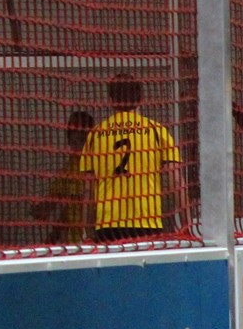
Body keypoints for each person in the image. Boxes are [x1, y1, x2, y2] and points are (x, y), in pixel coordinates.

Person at [78, 74, 183, 241]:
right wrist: (186, 225)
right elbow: (175, 181)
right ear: (141, 99)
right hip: (146, 220)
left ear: (110, 100)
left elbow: (88, 188)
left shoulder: (95, 134)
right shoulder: (156, 131)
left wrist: (86, 231)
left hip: (108, 223)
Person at [33, 110, 93, 244]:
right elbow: (62, 204)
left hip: (95, 240)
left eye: (83, 139)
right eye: (74, 139)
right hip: (75, 243)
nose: (79, 145)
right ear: (69, 140)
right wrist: (44, 210)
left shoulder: (98, 166)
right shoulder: (69, 169)